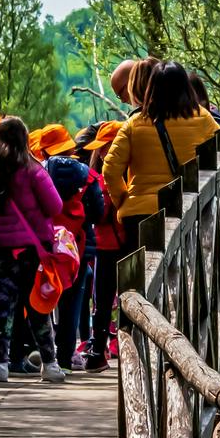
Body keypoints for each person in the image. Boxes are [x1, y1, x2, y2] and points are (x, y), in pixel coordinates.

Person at [0, 116, 64, 383]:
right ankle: (50, 364)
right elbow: (55, 206)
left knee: (2, 307)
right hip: (33, 250)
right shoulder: (33, 169)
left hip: (2, 249)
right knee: (38, 305)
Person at [102, 61, 220, 225]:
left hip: (139, 216)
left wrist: (124, 200)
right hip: (185, 212)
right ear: (185, 86)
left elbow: (110, 170)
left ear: (151, 87)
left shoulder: (134, 123)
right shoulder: (204, 118)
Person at [32, 124, 105, 371]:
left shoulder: (40, 173)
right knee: (74, 299)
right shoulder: (87, 175)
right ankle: (65, 354)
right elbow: (97, 212)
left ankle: (40, 351)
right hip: (79, 246)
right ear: (70, 147)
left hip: (46, 244)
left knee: (40, 294)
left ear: (43, 151)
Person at [73, 121, 125, 371]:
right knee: (104, 301)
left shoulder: (108, 177)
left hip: (113, 245)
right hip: (113, 244)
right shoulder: (127, 174)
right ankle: (100, 350)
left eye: (106, 147)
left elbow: (100, 214)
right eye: (101, 148)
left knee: (104, 301)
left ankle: (99, 351)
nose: (102, 153)